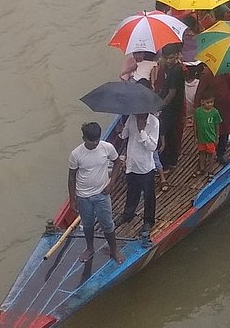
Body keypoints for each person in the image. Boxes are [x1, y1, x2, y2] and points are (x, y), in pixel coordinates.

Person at [67, 121, 123, 264]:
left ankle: (114, 250)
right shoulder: (76, 154)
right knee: (87, 224)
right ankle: (90, 248)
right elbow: (71, 177)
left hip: (102, 194)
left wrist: (112, 183)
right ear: (84, 139)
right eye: (92, 141)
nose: (95, 143)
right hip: (83, 196)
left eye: (97, 140)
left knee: (107, 224)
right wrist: (72, 200)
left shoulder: (107, 148)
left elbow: (118, 163)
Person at [117, 111, 159, 242]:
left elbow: (152, 146)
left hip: (145, 166)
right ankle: (128, 214)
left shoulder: (154, 122)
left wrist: (142, 131)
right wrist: (120, 130)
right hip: (132, 164)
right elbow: (125, 135)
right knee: (132, 191)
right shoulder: (131, 117)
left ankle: (148, 221)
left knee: (148, 195)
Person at [155, 44, 185, 169]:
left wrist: (159, 107)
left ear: (176, 56)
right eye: (166, 58)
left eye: (171, 58)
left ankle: (167, 163)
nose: (168, 61)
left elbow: (172, 93)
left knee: (166, 133)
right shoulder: (167, 68)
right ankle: (170, 161)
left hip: (172, 106)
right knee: (170, 133)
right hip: (168, 105)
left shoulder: (177, 70)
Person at [194, 94, 222, 179]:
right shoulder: (198, 111)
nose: (210, 104)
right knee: (201, 153)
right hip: (201, 138)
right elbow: (195, 124)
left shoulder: (215, 112)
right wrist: (195, 136)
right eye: (208, 102)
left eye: (211, 102)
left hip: (210, 138)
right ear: (202, 102)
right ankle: (202, 168)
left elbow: (217, 125)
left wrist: (217, 137)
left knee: (211, 154)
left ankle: (210, 170)